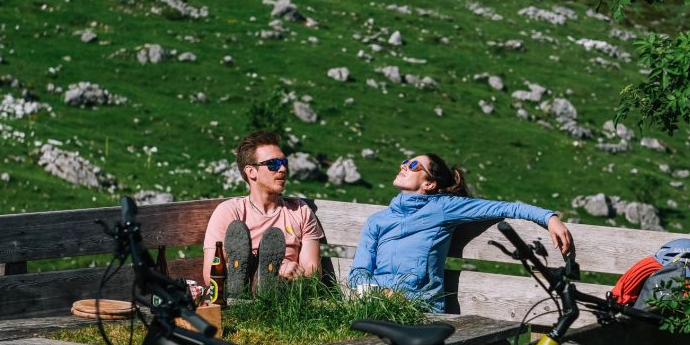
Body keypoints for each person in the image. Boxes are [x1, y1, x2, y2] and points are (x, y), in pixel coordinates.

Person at [349, 153, 573, 312]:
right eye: (406, 161)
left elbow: (504, 207)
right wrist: (377, 295)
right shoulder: (377, 221)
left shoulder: (444, 207)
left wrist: (548, 218)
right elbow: (359, 270)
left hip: (419, 309)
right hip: (376, 306)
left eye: (414, 164)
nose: (404, 165)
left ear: (429, 184)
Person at [203, 131, 324, 297]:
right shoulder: (229, 211)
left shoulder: (300, 211)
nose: (282, 169)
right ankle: (249, 278)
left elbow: (313, 274)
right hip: (232, 292)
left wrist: (291, 271)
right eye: (273, 164)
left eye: (284, 162)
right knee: (239, 266)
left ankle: (266, 280)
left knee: (279, 286)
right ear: (251, 172)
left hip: (287, 290)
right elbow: (210, 275)